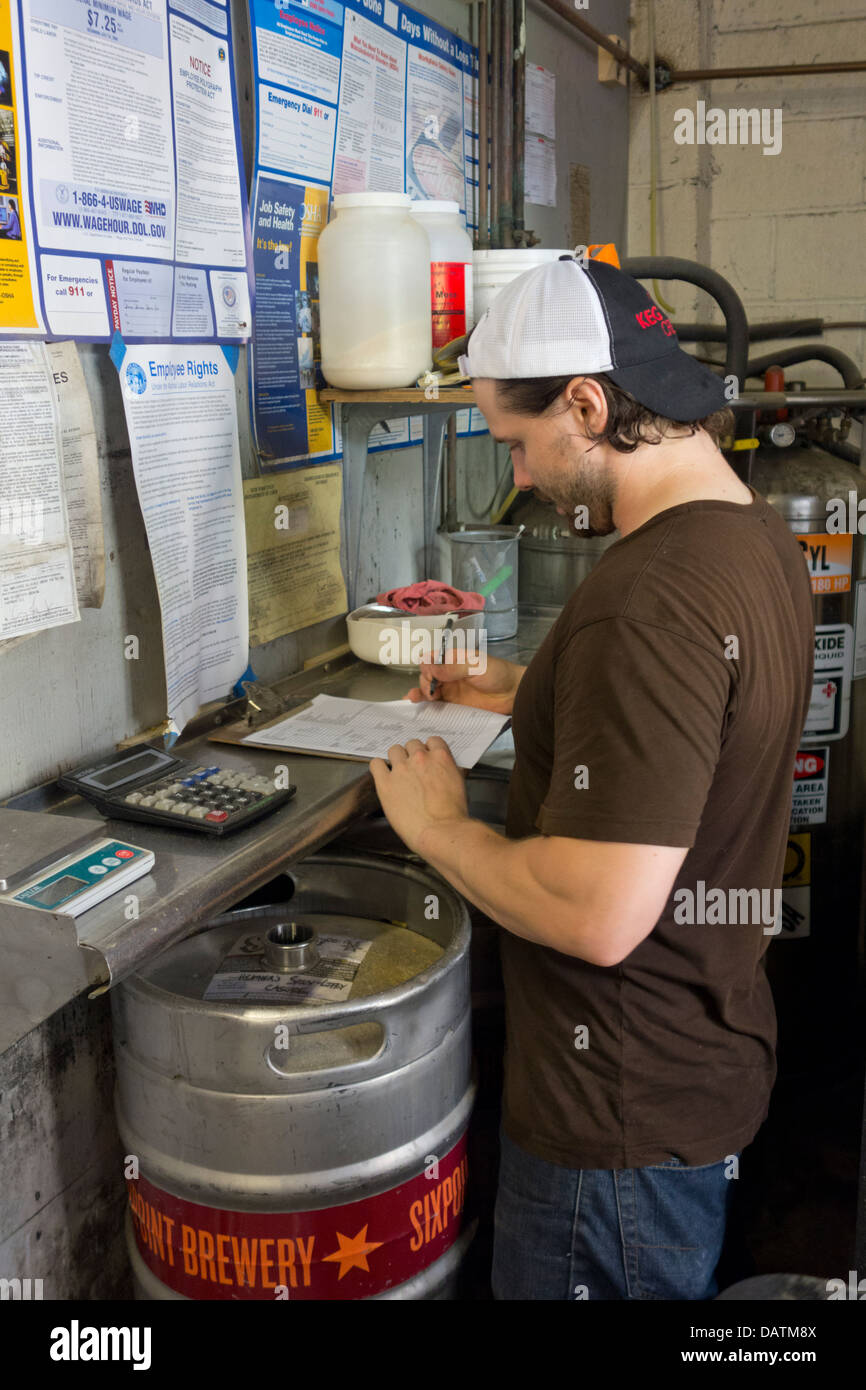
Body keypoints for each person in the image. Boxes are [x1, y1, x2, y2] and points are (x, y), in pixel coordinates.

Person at [368, 255, 814, 1300]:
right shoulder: (749, 538)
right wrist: (526, 686)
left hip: (610, 1122)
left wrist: (437, 828)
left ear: (587, 402)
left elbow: (597, 913)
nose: (517, 474)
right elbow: (696, 717)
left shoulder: (644, 598)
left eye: (517, 444)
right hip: (696, 1063)